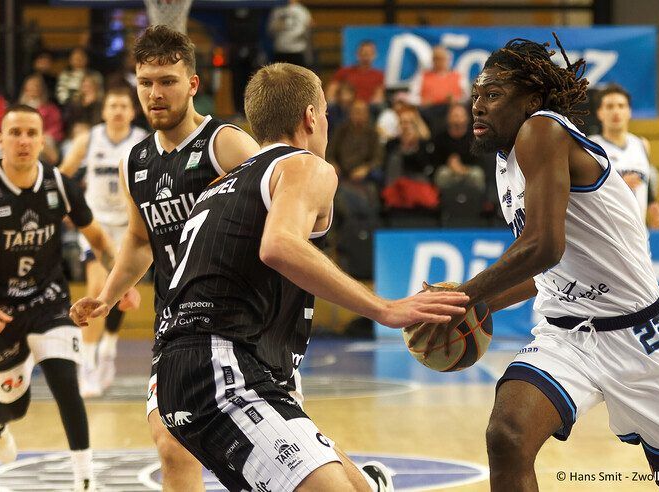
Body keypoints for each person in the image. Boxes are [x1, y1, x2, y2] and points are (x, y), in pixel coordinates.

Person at [408, 37, 659, 492]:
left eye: (492, 95)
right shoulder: (505, 160)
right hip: (566, 336)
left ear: (533, 100)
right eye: (475, 95)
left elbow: (542, 246)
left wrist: (463, 297)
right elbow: (547, 272)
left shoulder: (542, 130)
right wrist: (482, 305)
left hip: (642, 338)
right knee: (507, 435)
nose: (478, 106)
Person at [148, 62, 468, 491]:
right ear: (312, 116)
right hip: (222, 364)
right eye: (326, 114)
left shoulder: (221, 184)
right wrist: (385, 308)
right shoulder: (306, 166)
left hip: (188, 367)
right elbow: (279, 245)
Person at [68, 25, 260, 491]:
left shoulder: (227, 144)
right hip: (176, 322)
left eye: (167, 81)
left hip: (244, 325)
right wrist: (108, 296)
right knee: (172, 443)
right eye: (146, 82)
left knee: (271, 459)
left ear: (193, 84)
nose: (155, 93)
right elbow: (138, 239)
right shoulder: (133, 161)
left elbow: (283, 207)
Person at [0, 104, 121, 491]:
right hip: (3, 310)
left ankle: (84, 479)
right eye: (15, 132)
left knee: (66, 380)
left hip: (50, 301)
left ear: (42, 140)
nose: (23, 141)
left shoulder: (58, 185)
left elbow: (99, 239)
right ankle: (1, 424)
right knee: (13, 405)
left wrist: (123, 282)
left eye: (32, 133)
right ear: (0, 139)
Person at [60, 86, 147, 397]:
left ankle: (108, 349)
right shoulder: (90, 138)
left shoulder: (141, 141)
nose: (119, 110)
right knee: (97, 289)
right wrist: (68, 206)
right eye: (113, 105)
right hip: (96, 227)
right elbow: (62, 175)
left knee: (120, 292)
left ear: (132, 111)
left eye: (124, 105)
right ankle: (87, 364)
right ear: (104, 110)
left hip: (128, 227)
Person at [589, 84, 659, 228]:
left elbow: (644, 184)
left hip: (639, 234)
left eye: (621, 106)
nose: (616, 111)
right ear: (600, 112)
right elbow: (587, 195)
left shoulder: (641, 144)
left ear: (629, 111)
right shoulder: (591, 146)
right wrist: (620, 185)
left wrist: (653, 204)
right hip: (607, 232)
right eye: (610, 106)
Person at [327, 41, 385, 105]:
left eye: (369, 54)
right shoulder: (343, 72)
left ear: (374, 55)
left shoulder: (379, 75)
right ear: (357, 54)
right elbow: (331, 92)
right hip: (345, 107)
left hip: (368, 110)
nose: (366, 57)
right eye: (364, 53)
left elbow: (379, 96)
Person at [267, 0, 313, 67]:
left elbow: (309, 28)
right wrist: (277, 26)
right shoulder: (277, 10)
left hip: (297, 50)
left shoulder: (302, 10)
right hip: (281, 50)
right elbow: (270, 29)